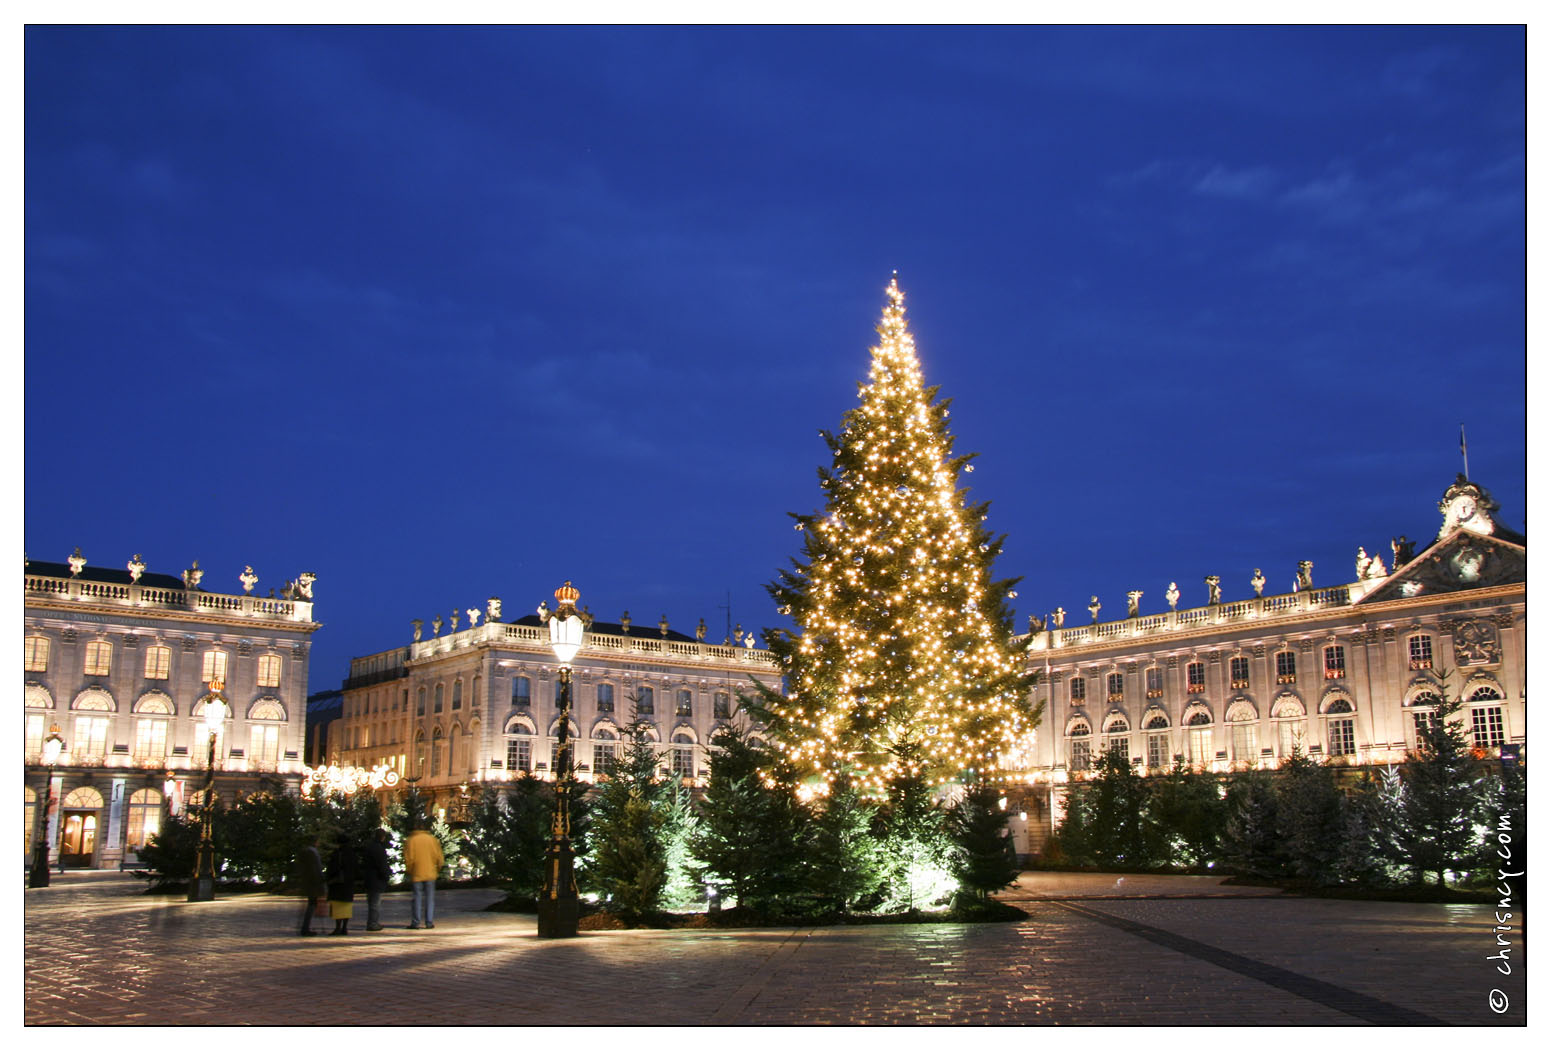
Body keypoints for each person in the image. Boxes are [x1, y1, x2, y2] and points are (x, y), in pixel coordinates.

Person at [403, 822, 443, 929]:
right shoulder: (432, 840)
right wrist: (438, 868)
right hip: (430, 873)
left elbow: (409, 859)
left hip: (417, 873)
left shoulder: (411, 840)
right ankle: (429, 922)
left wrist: (410, 870)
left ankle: (416, 922)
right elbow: (439, 857)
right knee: (430, 898)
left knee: (417, 898)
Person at [325, 832, 359, 936]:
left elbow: (332, 868)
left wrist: (328, 878)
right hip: (349, 883)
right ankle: (345, 927)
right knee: (347, 906)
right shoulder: (352, 853)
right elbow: (356, 868)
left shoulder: (337, 853)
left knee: (337, 906)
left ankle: (338, 927)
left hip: (338, 883)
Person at [293, 833, 327, 937]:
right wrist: (321, 881)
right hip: (313, 883)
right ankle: (305, 928)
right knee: (311, 905)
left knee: (311, 904)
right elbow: (315, 870)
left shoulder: (304, 852)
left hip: (307, 882)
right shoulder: (312, 853)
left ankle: (305, 927)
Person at [362, 828, 392, 932]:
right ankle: (372, 923)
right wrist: (386, 876)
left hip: (370, 878)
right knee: (375, 903)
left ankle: (372, 922)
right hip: (376, 879)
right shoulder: (378, 848)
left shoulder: (370, 847)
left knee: (372, 902)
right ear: (382, 837)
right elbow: (382, 865)